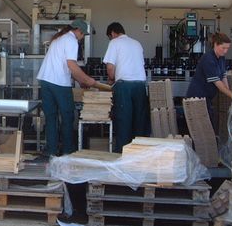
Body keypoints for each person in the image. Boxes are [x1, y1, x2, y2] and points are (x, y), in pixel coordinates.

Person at [37, 19, 96, 156]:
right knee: (68, 116)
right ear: (79, 31)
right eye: (83, 35)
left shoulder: (59, 39)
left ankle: (51, 151)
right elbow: (72, 65)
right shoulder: (71, 40)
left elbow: (65, 66)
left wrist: (81, 81)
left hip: (46, 81)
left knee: (51, 117)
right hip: (59, 83)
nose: (82, 38)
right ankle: (68, 151)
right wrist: (88, 80)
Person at [103, 22, 150, 153]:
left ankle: (122, 155)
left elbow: (110, 67)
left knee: (124, 120)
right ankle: (139, 153)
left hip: (124, 86)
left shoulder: (114, 42)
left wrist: (111, 79)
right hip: (140, 86)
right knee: (139, 121)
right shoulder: (137, 43)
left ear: (112, 33)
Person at [186, 32, 232, 129]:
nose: (225, 51)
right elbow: (218, 83)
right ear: (216, 44)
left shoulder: (221, 58)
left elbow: (223, 76)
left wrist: (229, 93)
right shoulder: (208, 59)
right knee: (201, 127)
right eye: (223, 48)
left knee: (209, 124)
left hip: (206, 98)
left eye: (227, 49)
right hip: (197, 97)